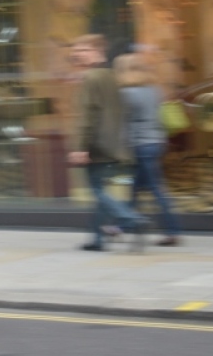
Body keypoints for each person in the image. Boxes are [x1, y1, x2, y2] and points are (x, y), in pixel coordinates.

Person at [67, 34, 144, 251]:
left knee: (98, 191)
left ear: (96, 52)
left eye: (82, 49)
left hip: (97, 146)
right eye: (75, 49)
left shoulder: (91, 78)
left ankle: (131, 218)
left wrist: (81, 147)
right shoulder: (111, 77)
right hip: (113, 144)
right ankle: (98, 240)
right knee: (100, 191)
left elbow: (87, 116)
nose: (76, 53)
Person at [115, 53, 183, 247]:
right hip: (157, 143)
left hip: (140, 145)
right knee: (136, 188)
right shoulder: (154, 90)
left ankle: (173, 231)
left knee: (156, 189)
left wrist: (120, 149)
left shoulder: (126, 94)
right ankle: (121, 226)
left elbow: (124, 125)